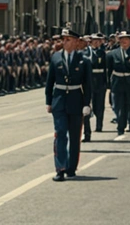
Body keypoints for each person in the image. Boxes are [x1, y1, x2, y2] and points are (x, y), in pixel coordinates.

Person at [45, 28, 92, 182]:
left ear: (76, 42)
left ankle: (71, 168)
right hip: (59, 101)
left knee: (74, 136)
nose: (64, 42)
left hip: (76, 101)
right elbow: (50, 81)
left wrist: (86, 104)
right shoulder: (55, 58)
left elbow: (88, 84)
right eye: (63, 39)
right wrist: (48, 101)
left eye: (68, 39)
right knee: (60, 134)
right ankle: (60, 168)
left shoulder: (83, 60)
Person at [106, 31, 130, 135]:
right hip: (118, 81)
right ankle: (120, 126)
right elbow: (108, 70)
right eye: (122, 39)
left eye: (126, 39)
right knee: (118, 105)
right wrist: (108, 84)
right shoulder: (113, 54)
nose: (124, 41)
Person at [83, 32, 107, 140]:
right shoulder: (86, 52)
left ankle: (99, 124)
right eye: (94, 41)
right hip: (89, 80)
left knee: (99, 104)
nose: (96, 43)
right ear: (90, 41)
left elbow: (106, 68)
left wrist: (107, 83)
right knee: (86, 106)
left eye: (98, 41)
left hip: (100, 81)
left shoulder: (102, 53)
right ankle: (87, 132)